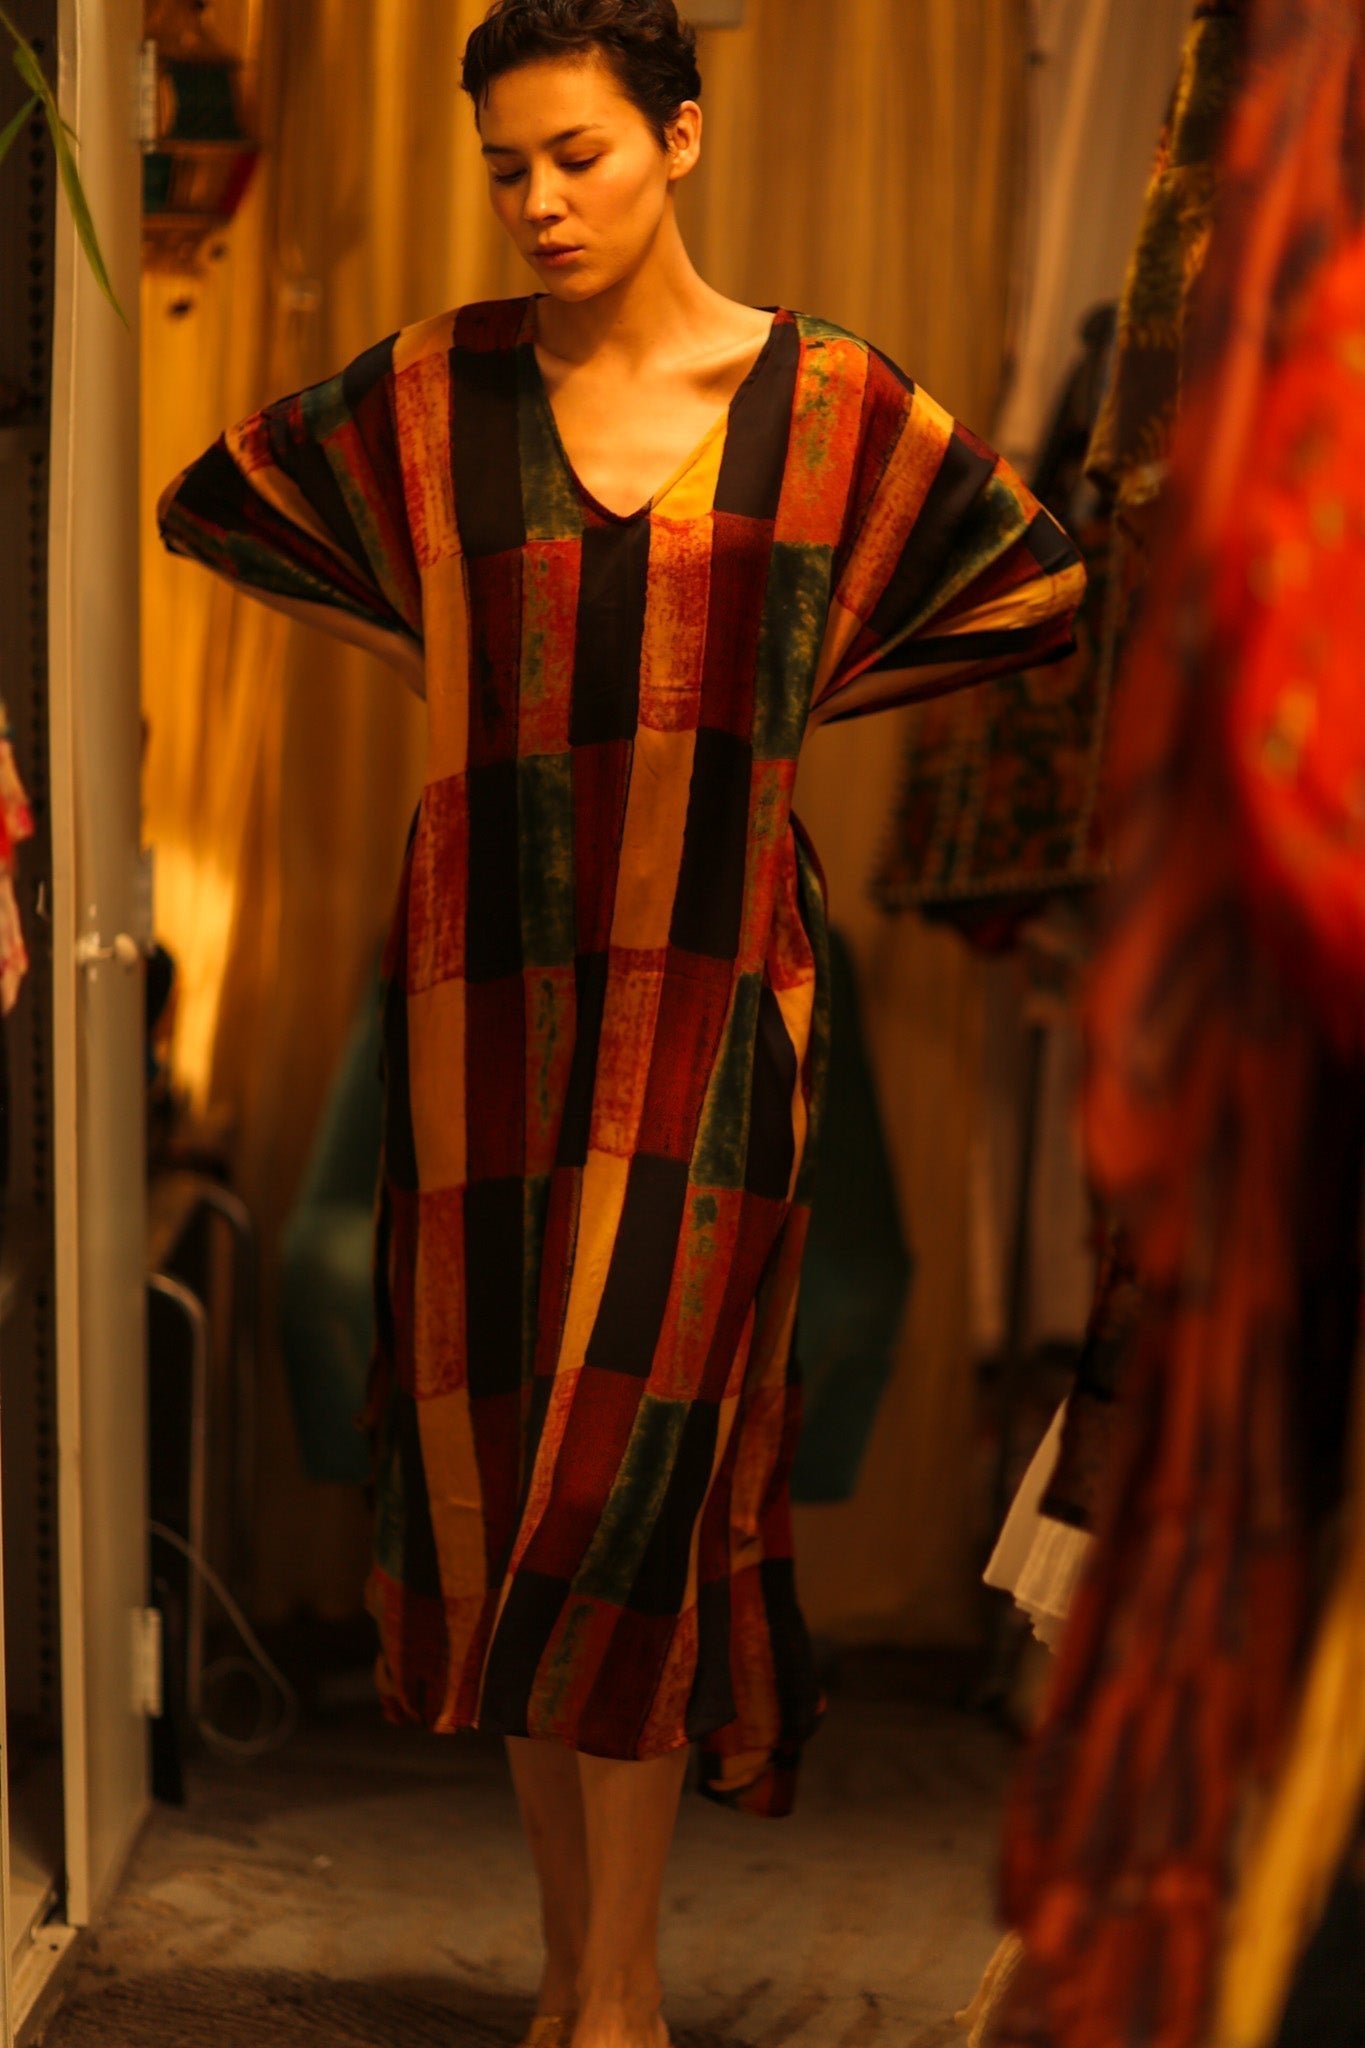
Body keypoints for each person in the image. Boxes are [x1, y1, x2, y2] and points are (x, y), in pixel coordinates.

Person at [156, 4, 1084, 2044]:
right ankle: (571, 1969)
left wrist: (786, 691)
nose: (538, 201)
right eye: (505, 166)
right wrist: (426, 639)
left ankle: (627, 1991)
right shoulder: (433, 390)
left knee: (630, 1474)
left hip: (713, 986)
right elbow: (216, 507)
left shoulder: (826, 403)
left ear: (679, 136)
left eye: (574, 154)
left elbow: (1030, 580)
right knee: (506, 1467)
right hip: (477, 986)